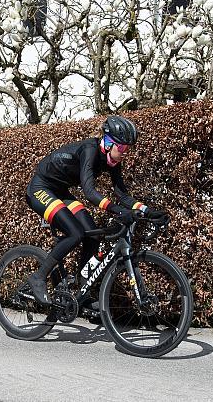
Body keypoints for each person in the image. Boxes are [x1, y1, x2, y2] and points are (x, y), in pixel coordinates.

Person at [25, 115, 165, 306]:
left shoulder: (112, 161)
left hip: (61, 191)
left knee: (92, 235)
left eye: (128, 149)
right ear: (108, 143)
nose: (125, 153)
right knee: (75, 233)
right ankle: (39, 277)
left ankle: (82, 292)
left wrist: (147, 211)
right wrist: (117, 211)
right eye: (122, 147)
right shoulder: (89, 150)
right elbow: (89, 192)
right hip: (40, 188)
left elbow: (122, 196)